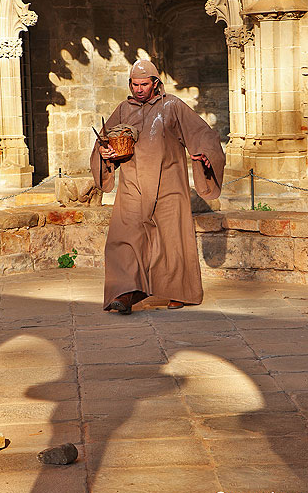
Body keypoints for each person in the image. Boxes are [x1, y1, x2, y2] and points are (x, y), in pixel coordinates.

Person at [90, 59, 225, 315]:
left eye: (144, 84)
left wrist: (206, 153)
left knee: (171, 239)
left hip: (168, 183)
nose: (139, 89)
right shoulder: (123, 109)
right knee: (124, 237)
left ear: (155, 83)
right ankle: (125, 293)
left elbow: (201, 133)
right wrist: (105, 152)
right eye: (135, 84)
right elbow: (104, 141)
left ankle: (177, 291)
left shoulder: (171, 106)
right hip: (133, 184)